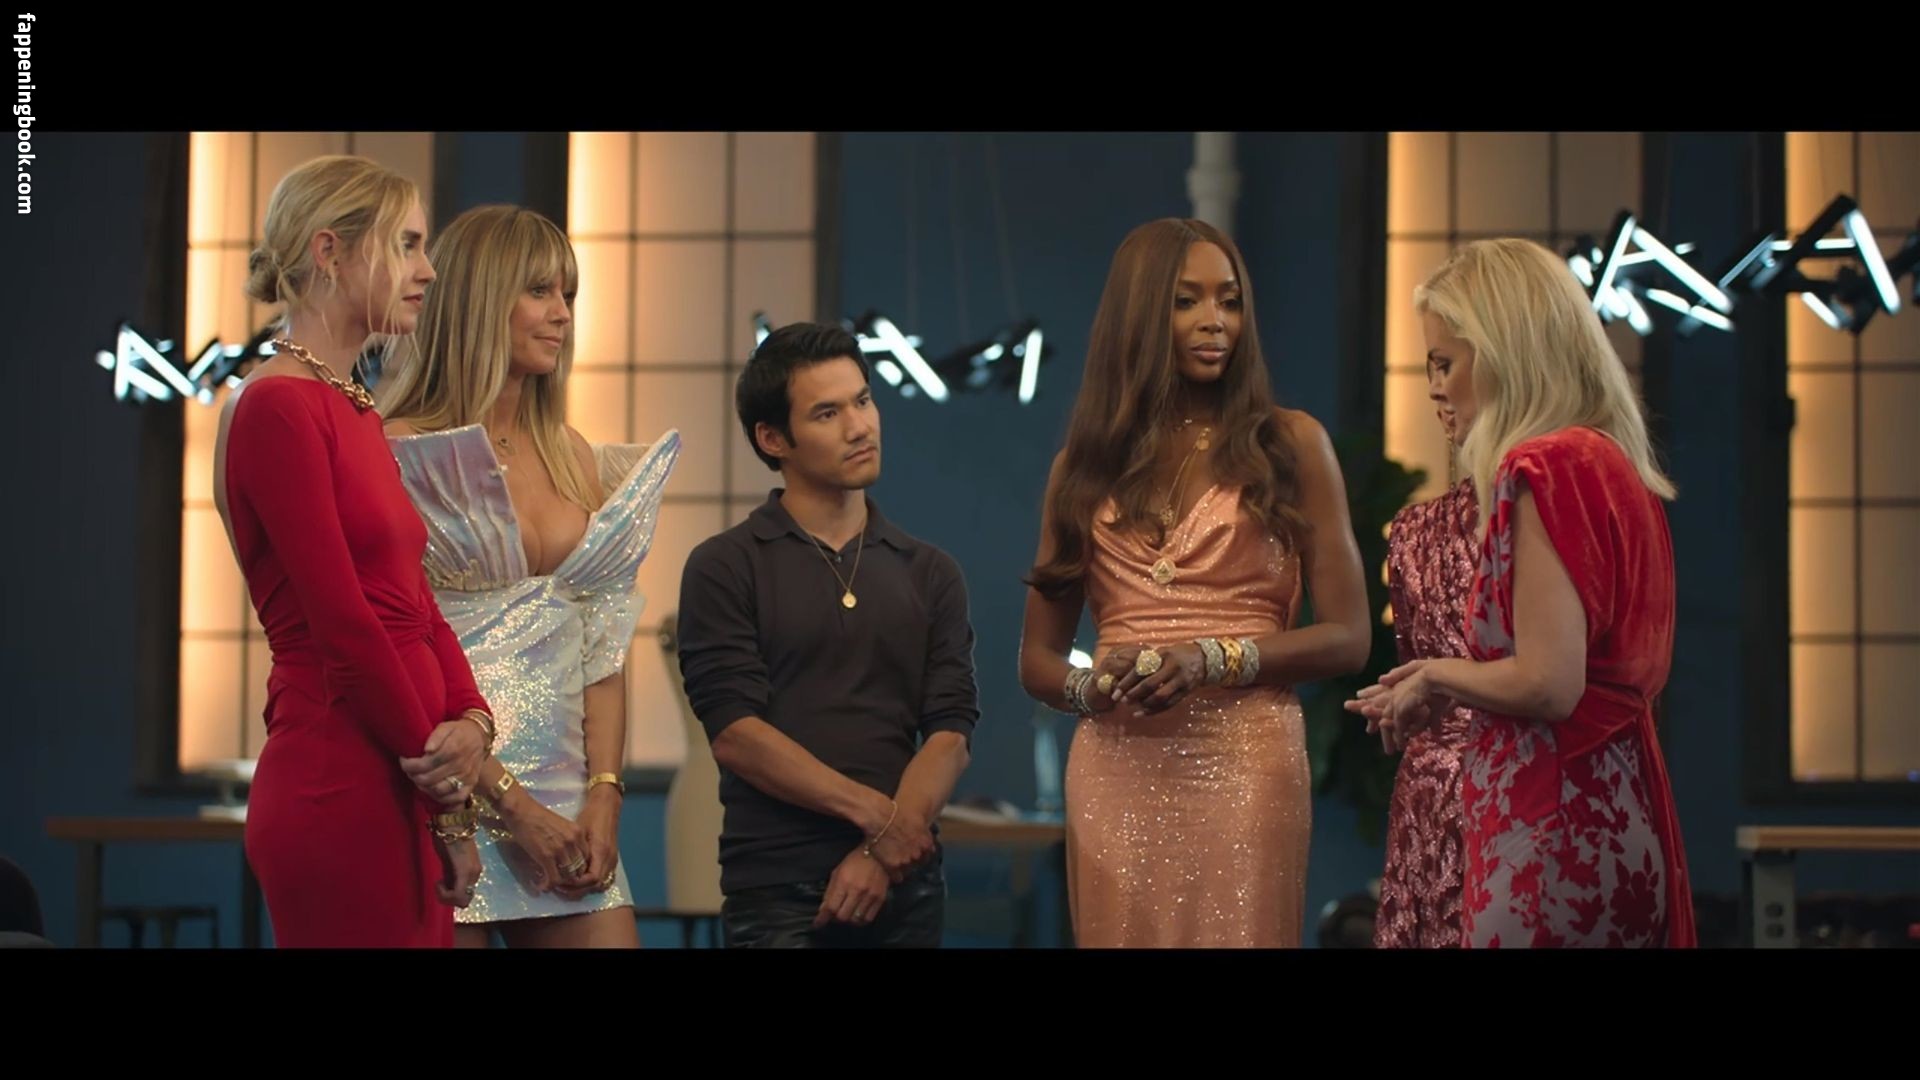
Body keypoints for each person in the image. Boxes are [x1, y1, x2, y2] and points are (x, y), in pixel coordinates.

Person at [1017, 218, 1371, 947]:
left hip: (1246, 762)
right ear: (1140, 315)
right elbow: (1037, 660)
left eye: (1230, 301)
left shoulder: (1291, 444)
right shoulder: (1081, 468)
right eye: (1187, 301)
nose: (1216, 321)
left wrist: (1212, 658)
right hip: (1115, 765)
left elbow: (1349, 637)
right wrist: (1092, 689)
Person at [676, 322, 978, 948]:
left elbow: (950, 732)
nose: (859, 426)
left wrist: (881, 850)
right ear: (772, 438)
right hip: (779, 886)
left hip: (905, 880)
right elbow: (735, 734)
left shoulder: (930, 571)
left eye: (863, 401)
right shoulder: (725, 566)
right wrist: (877, 821)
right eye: (827, 413)